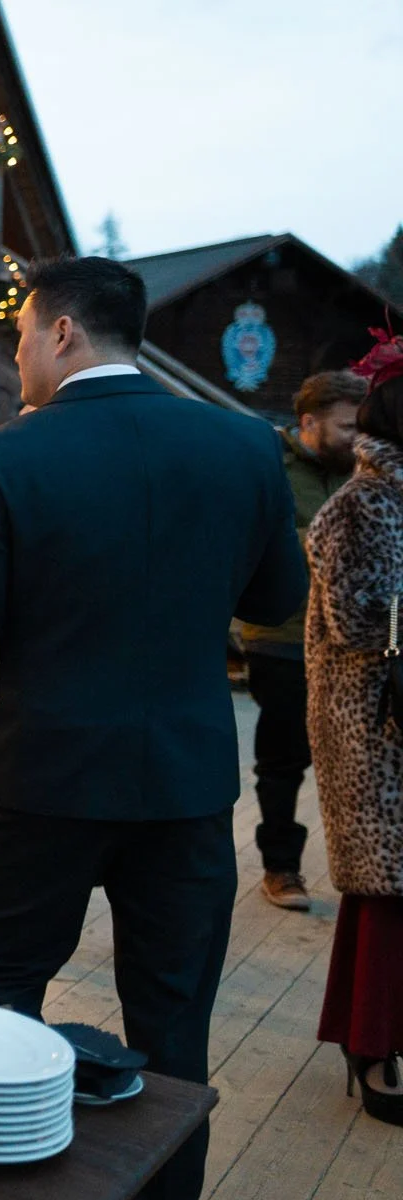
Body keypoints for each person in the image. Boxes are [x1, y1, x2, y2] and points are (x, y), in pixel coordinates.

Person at [0, 257, 306, 1200]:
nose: (15, 351)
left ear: (60, 333)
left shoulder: (6, 458)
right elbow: (274, 601)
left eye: (19, 331)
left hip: (41, 778)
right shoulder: (240, 446)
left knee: (2, 993)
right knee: (173, 1019)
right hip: (183, 781)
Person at [307, 334, 403, 1128]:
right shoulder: (364, 505)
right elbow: (359, 618)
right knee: (385, 894)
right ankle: (371, 1043)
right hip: (377, 732)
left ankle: (369, 1033)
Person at [240, 369, 366, 910]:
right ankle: (282, 866)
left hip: (351, 639)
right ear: (308, 422)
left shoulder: (364, 469)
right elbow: (256, 538)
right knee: (283, 757)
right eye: (345, 427)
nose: (355, 438)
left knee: (352, 757)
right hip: (281, 633)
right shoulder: (269, 464)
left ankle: (359, 867)